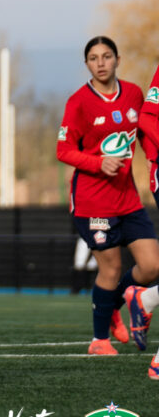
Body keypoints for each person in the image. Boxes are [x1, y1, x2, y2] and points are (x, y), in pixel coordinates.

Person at [57, 36, 159, 355]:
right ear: (86, 64)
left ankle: (119, 301)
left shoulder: (133, 93)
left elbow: (146, 133)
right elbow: (64, 150)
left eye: (106, 56)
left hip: (128, 199)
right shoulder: (78, 102)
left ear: (118, 59)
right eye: (93, 58)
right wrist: (98, 163)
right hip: (92, 202)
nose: (100, 63)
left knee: (153, 266)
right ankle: (99, 340)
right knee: (111, 269)